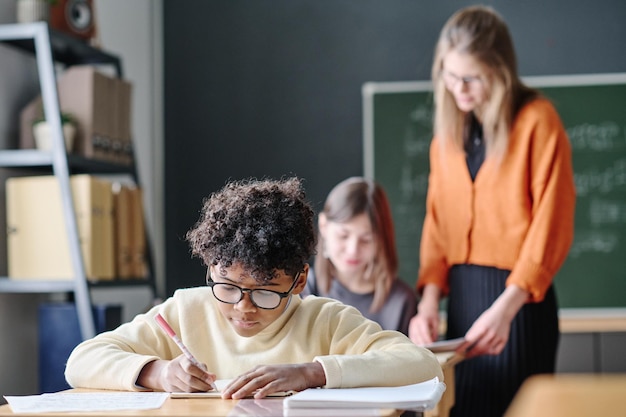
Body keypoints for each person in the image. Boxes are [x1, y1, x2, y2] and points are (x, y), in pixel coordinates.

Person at [65, 177, 443, 399]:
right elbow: (80, 361)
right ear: (212, 269)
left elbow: (424, 365)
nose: (243, 308)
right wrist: (156, 373)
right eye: (228, 288)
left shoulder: (326, 321)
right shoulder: (185, 310)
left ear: (299, 281)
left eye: (265, 293)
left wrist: (313, 373)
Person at [408, 6, 575, 417]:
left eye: (471, 78)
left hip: (518, 304)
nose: (458, 88)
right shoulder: (446, 137)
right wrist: (428, 303)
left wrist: (505, 309)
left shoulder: (538, 121)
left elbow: (550, 224)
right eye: (449, 75)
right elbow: (437, 225)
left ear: (500, 72)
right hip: (462, 300)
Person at [302, 176, 417, 335]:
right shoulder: (302, 289)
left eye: (366, 240)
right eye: (343, 236)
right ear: (324, 226)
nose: (353, 250)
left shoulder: (401, 302)